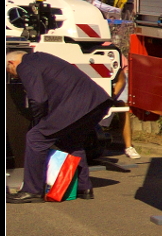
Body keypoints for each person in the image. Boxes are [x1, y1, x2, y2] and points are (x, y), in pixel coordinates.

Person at [6, 50, 113, 203]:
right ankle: (84, 187)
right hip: (98, 102)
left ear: (11, 63)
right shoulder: (41, 58)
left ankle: (32, 190)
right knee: (71, 141)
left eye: (10, 72)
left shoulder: (25, 65)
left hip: (76, 107)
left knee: (35, 138)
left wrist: (38, 121)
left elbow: (38, 99)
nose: (14, 76)